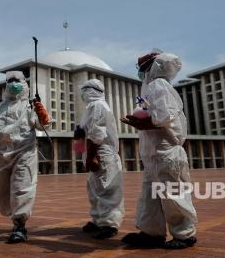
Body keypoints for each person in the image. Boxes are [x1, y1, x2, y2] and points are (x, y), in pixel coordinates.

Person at [121, 51, 198, 249]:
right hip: (153, 153)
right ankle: (151, 233)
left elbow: (162, 118)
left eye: (141, 66)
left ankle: (184, 235)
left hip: (165, 151)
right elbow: (145, 113)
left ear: (151, 67)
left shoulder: (158, 85)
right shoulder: (146, 89)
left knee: (173, 194)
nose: (139, 70)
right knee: (150, 195)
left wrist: (139, 123)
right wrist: (137, 120)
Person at [0, 70, 50, 244]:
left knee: (22, 188)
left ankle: (19, 225)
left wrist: (42, 113)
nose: (13, 83)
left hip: (25, 152)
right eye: (10, 80)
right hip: (1, 154)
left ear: (24, 82)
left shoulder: (30, 105)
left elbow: (41, 125)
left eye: (17, 80)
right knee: (1, 194)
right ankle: (14, 217)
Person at [75, 79, 125, 239]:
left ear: (92, 91)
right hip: (93, 152)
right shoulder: (89, 108)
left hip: (101, 152)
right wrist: (81, 153)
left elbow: (96, 135)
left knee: (107, 189)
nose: (82, 94)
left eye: (85, 90)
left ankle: (110, 224)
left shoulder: (98, 106)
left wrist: (91, 157)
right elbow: (83, 134)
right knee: (94, 190)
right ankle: (98, 220)